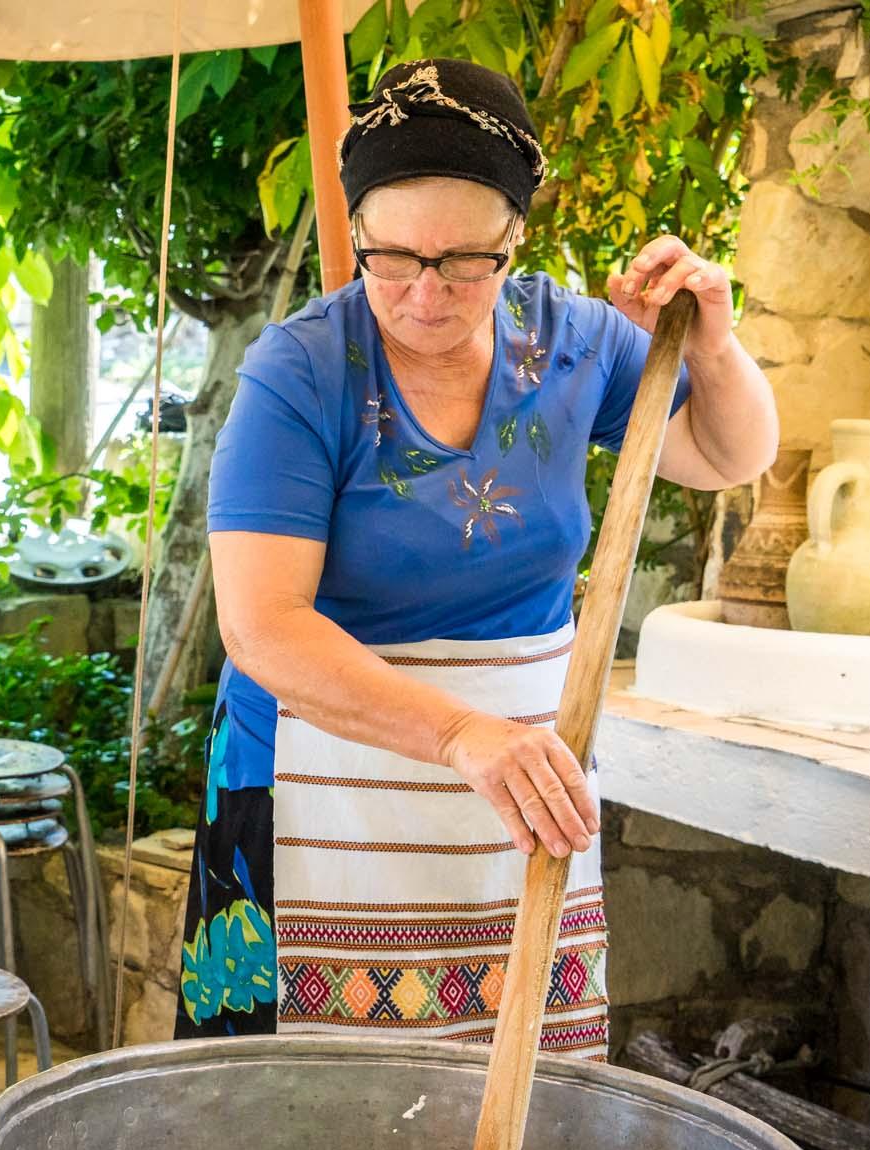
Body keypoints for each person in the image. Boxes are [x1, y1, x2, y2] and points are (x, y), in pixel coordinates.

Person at [173, 58, 777, 1055]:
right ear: (358, 232)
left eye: (463, 261)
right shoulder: (303, 371)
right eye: (391, 257)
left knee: (506, 1090)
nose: (422, 291)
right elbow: (262, 624)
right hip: (322, 768)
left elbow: (724, 454)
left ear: (514, 238)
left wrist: (712, 348)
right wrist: (459, 734)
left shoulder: (573, 344)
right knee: (292, 1127)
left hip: (520, 775)